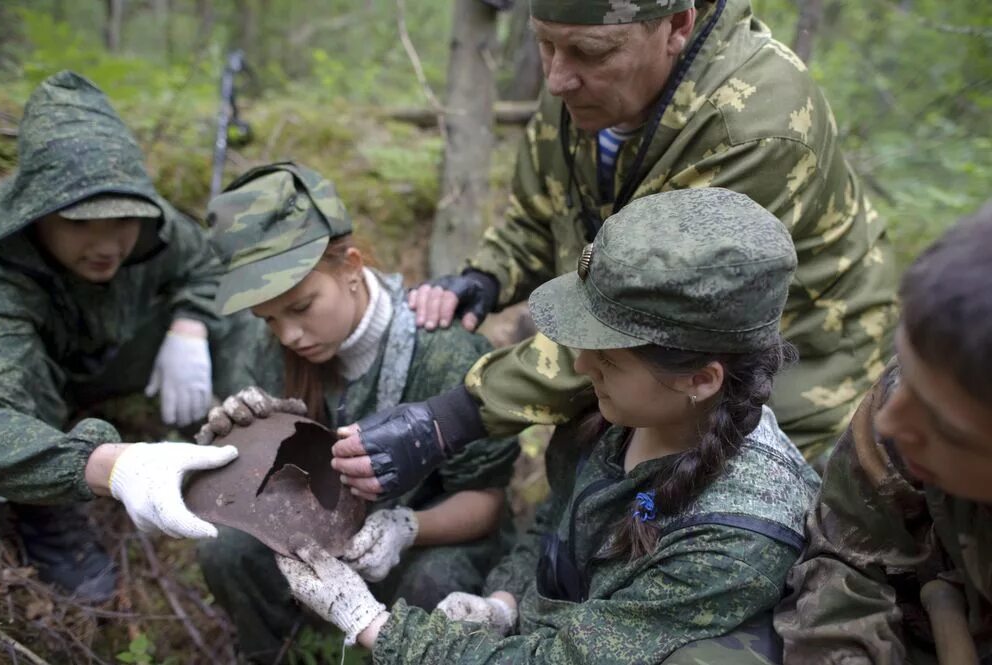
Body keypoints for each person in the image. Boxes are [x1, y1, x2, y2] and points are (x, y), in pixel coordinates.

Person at [344, 0, 899, 502]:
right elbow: (547, 211)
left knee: (698, 518)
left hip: (795, 351)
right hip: (646, 343)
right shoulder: (584, 77)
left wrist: (453, 417)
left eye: (588, 52)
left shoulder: (755, 126)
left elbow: (651, 316)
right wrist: (488, 275)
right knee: (582, 473)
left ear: (676, 26)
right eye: (545, 44)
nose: (558, 78)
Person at [275, 187, 820, 664]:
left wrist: (374, 625)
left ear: (700, 380)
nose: (580, 368)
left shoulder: (736, 541)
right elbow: (559, 525)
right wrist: (508, 602)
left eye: (607, 360)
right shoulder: (627, 414)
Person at [194, 163, 520, 664]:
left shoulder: (444, 353)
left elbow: (487, 501)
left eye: (301, 307)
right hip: (313, 524)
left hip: (433, 534)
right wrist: (234, 438)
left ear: (350, 267)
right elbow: (251, 481)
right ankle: (280, 653)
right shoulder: (270, 348)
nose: (288, 335)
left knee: (435, 586)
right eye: (268, 319)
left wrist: (407, 528)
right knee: (225, 552)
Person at [0, 71, 254, 601]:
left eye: (123, 220)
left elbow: (206, 264)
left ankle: (251, 449)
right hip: (40, 383)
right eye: (81, 223)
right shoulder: (2, 272)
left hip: (116, 353)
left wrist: (190, 326)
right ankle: (48, 513)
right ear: (37, 216)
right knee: (20, 389)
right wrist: (106, 465)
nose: (107, 243)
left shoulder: (156, 230)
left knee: (246, 320)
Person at [774, 201, 992, 663]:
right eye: (905, 369)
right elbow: (848, 564)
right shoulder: (930, 386)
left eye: (946, 427)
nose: (890, 421)